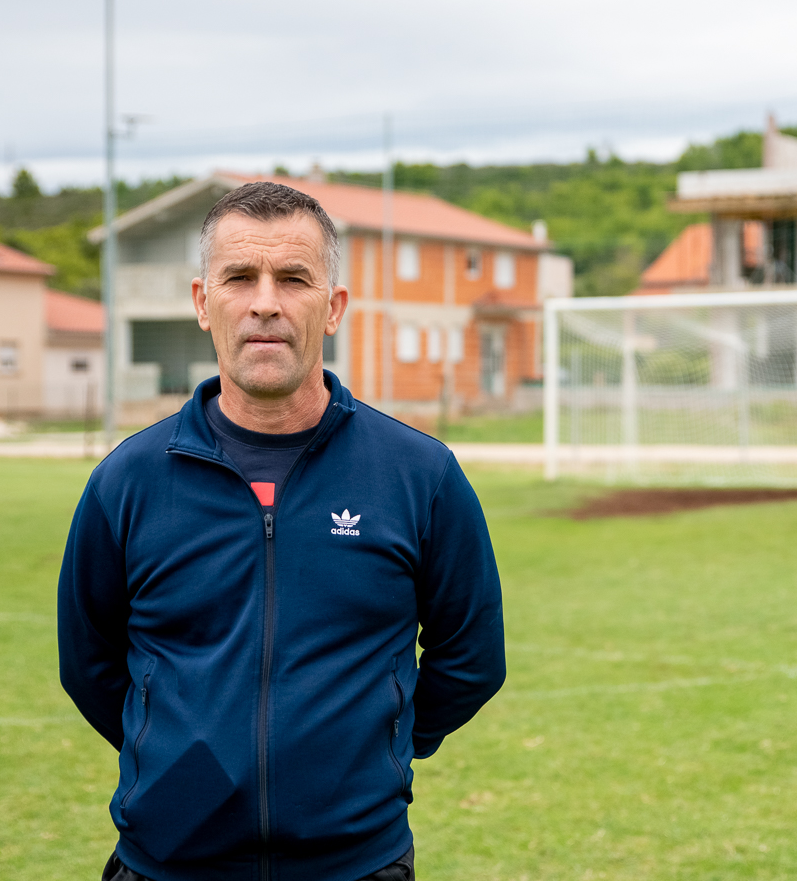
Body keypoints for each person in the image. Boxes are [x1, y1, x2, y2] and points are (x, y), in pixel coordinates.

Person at [58, 181, 506, 881]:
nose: (265, 302)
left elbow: (472, 657)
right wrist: (176, 758)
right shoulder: (128, 481)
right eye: (240, 277)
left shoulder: (420, 474)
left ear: (333, 308)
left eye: (293, 279)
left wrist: (375, 749)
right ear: (203, 302)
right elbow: (88, 665)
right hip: (167, 863)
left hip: (356, 863)